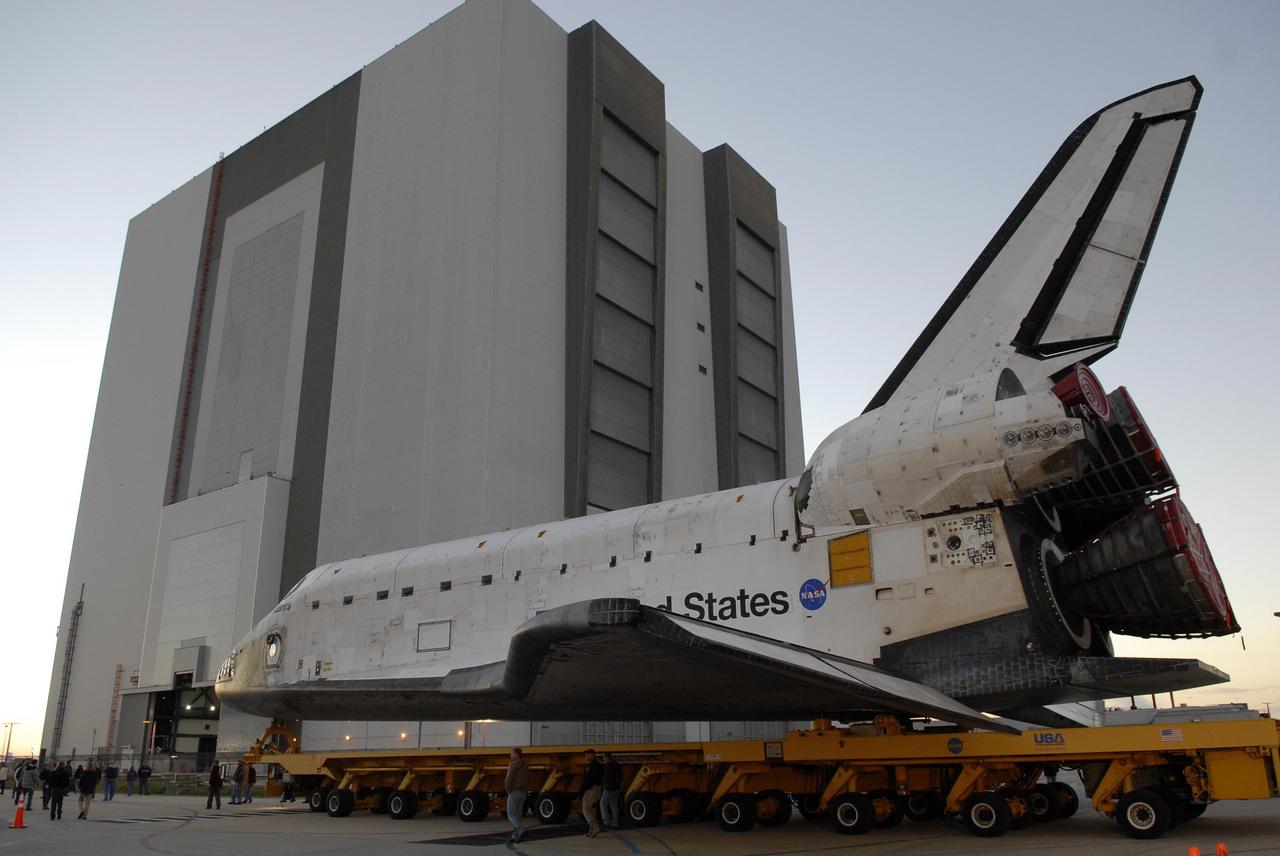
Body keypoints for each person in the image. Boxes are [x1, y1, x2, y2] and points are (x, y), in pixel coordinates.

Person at [504, 747, 530, 844]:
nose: (511, 755)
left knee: (510, 814)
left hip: (514, 792)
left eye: (512, 754)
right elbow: (528, 777)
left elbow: (508, 778)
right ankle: (515, 836)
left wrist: (507, 789)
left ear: (517, 754)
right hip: (523, 793)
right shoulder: (525, 765)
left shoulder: (513, 765)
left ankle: (521, 829)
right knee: (517, 815)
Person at [579, 749, 604, 838]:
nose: (586, 756)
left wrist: (583, 790)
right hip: (594, 789)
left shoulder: (595, 766)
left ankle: (595, 827)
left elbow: (588, 780)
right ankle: (592, 831)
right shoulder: (590, 766)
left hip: (592, 789)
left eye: (588, 754)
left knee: (586, 810)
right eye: (585, 755)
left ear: (593, 755)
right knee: (592, 811)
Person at [600, 752, 623, 830]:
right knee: (614, 805)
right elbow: (621, 775)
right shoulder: (617, 765)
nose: (604, 760)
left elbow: (606, 777)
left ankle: (606, 822)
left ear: (606, 758)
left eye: (604, 759)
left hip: (609, 788)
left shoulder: (608, 766)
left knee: (602, 803)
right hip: (617, 788)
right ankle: (615, 824)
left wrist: (603, 784)